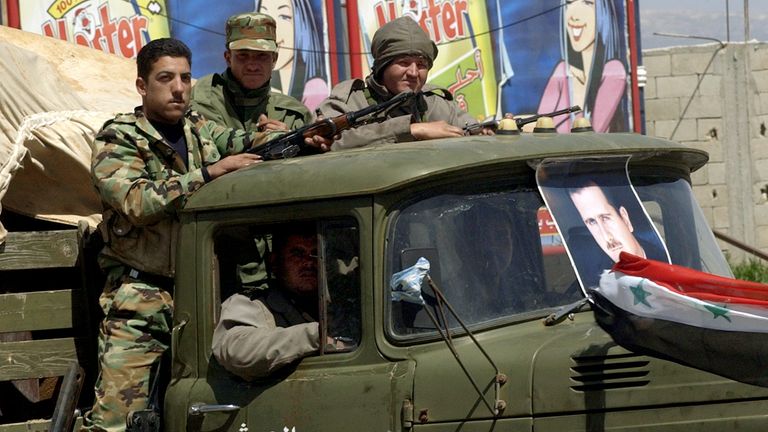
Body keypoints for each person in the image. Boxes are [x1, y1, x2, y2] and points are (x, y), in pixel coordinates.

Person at [83, 38, 330, 431]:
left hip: (202, 298)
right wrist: (206, 175)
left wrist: (298, 138)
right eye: (165, 78)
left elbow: (243, 142)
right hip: (141, 301)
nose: (179, 88)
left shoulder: (196, 128)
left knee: (214, 405)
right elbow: (135, 201)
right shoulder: (119, 138)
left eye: (185, 77)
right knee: (117, 418)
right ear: (142, 86)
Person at [318, 16, 492, 151]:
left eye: (422, 65)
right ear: (382, 66)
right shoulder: (348, 101)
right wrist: (412, 129)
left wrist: (489, 133)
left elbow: (471, 130)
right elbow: (330, 142)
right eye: (403, 63)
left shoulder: (434, 103)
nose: (414, 73)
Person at [211, 224, 348, 381]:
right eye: (297, 254)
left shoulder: (337, 303)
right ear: (275, 262)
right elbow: (237, 351)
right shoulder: (253, 304)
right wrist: (317, 336)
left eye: (316, 254)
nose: (309, 263)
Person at [190, 12, 312, 134]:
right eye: (243, 55)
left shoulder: (293, 114)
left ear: (274, 59)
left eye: (261, 55)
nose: (252, 66)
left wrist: (292, 139)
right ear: (228, 58)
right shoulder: (204, 101)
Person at [537, 0, 628, 133]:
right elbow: (539, 123)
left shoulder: (614, 71)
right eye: (569, 2)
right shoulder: (562, 70)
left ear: (604, 13)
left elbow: (593, 133)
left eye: (587, 3)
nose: (574, 15)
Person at [255, 0, 330, 110]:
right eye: (264, 17)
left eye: (284, 17)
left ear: (302, 24)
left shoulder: (315, 89)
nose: (271, 29)